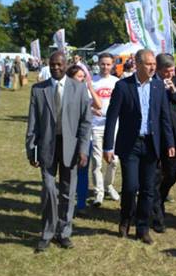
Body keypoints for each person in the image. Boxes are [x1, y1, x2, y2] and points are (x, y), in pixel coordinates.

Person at [103, 49, 175, 245]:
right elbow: (112, 118)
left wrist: (169, 143)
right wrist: (108, 146)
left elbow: (164, 117)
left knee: (148, 189)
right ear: (137, 64)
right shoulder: (123, 86)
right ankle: (126, 219)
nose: (152, 67)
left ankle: (143, 228)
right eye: (148, 64)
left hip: (151, 144)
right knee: (130, 186)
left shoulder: (158, 87)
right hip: (130, 144)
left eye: (154, 64)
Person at [25, 51, 92, 253]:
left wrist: (83, 149)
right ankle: (47, 232)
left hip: (71, 147)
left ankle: (64, 232)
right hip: (46, 147)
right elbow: (33, 123)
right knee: (49, 189)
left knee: (67, 191)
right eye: (52, 64)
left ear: (66, 65)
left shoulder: (79, 88)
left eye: (59, 64)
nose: (55, 67)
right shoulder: (39, 90)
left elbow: (85, 122)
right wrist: (31, 150)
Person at [151, 53, 176, 233]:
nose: (170, 74)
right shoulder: (151, 83)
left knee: (173, 173)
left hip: (174, 136)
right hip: (156, 136)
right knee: (156, 175)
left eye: (172, 70)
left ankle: (158, 198)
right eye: (167, 72)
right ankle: (157, 215)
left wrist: (174, 91)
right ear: (159, 70)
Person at [67, 63, 102, 217]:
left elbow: (99, 104)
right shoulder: (65, 92)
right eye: (79, 77)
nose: (82, 80)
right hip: (68, 137)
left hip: (85, 138)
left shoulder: (85, 92)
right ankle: (68, 202)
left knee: (82, 171)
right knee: (69, 172)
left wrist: (90, 88)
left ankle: (81, 203)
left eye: (84, 77)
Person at [90, 53, 121, 207]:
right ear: (98, 64)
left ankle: (109, 185)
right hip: (96, 126)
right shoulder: (92, 81)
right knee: (96, 162)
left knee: (114, 161)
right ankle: (99, 192)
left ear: (113, 65)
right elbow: (85, 101)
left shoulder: (117, 82)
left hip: (113, 127)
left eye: (108, 64)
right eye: (102, 64)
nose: (105, 67)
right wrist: (91, 110)